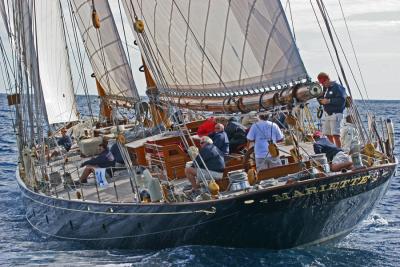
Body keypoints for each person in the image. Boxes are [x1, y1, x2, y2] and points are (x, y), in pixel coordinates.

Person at [317, 72, 347, 147]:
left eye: (323, 83)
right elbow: (321, 99)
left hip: (336, 114)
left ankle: (339, 151)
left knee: (336, 135)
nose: (323, 85)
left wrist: (329, 101)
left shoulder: (337, 87)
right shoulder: (326, 89)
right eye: (321, 84)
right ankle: (334, 148)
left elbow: (342, 100)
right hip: (328, 115)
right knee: (327, 133)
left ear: (327, 79)